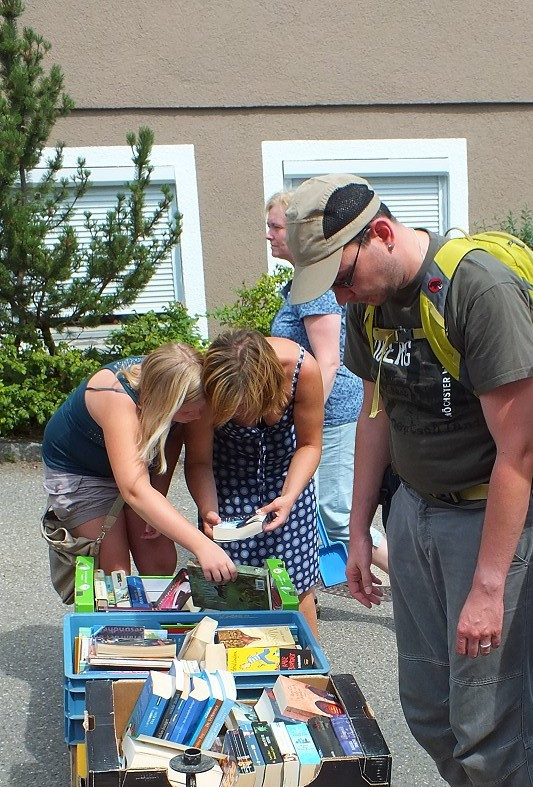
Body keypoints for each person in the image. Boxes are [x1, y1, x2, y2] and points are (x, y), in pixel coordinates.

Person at [284, 173, 533, 787]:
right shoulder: (371, 304)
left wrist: (490, 587)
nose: (338, 298)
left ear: (379, 232)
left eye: (341, 275)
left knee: (488, 707)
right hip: (417, 515)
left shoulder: (478, 289)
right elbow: (377, 415)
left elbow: (520, 450)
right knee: (432, 705)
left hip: (485, 521)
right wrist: (360, 528)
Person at [265, 190, 388, 572]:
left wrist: (307, 421)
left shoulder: (316, 286)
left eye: (276, 226)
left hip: (332, 416)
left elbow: (329, 362)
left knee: (337, 512)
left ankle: (415, 590)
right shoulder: (304, 282)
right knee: (308, 504)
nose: (268, 234)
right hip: (322, 415)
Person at [41, 343, 236, 581]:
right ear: (162, 402)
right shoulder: (116, 398)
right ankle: (113, 617)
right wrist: (202, 546)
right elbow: (134, 490)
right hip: (81, 472)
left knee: (160, 562)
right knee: (115, 574)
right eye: (188, 413)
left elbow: (172, 439)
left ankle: (150, 616)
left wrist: (157, 496)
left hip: (135, 466)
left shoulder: (186, 387)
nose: (198, 419)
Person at [201, 329, 323, 637]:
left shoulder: (301, 369)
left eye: (247, 407)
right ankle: (233, 673)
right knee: (229, 585)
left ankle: (308, 674)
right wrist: (207, 508)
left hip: (288, 480)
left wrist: (290, 496)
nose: (241, 418)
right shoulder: (207, 381)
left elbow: (310, 445)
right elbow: (199, 461)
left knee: (296, 584)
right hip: (228, 483)